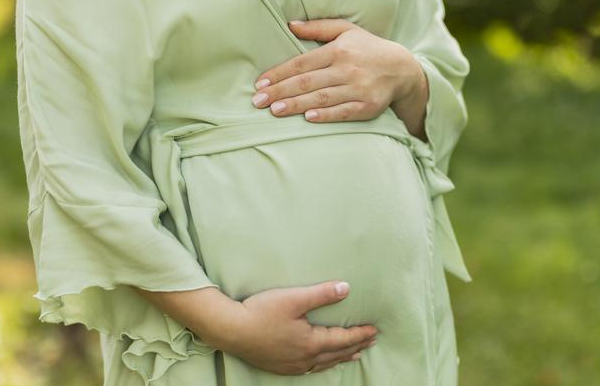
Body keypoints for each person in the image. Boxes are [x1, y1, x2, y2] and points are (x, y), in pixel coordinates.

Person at [15, 0, 472, 384]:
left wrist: (408, 75)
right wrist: (228, 326)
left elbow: (436, 66)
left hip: (402, 329)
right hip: (214, 337)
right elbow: (78, 164)